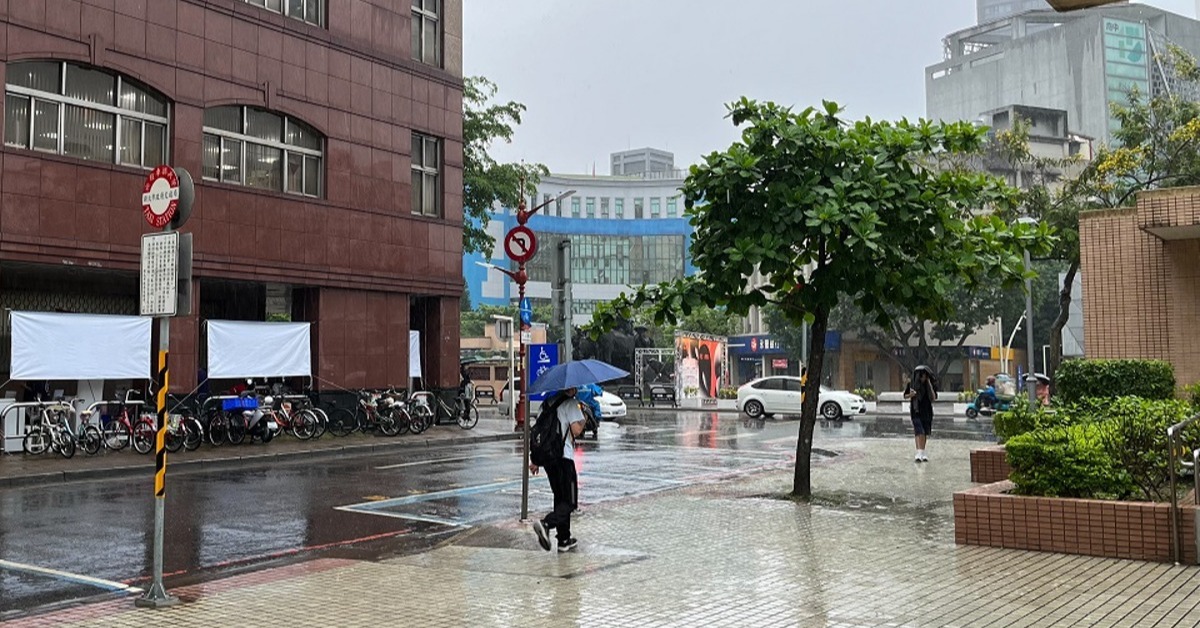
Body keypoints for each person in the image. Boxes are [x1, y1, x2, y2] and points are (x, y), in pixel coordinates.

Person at [531, 387, 586, 553]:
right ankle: (547, 523)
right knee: (570, 501)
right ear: (571, 388)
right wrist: (582, 416)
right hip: (564, 458)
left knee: (560, 498)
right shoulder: (571, 404)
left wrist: (535, 460)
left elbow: (539, 432)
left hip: (549, 460)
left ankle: (563, 539)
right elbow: (576, 430)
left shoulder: (546, 404)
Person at [904, 367, 937, 463]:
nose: (922, 378)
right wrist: (912, 395)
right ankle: (919, 452)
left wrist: (929, 384)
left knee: (925, 432)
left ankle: (922, 452)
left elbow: (934, 397)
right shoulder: (912, 384)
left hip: (927, 411)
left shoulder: (930, 385)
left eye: (925, 376)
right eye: (921, 376)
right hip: (916, 410)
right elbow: (905, 395)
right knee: (919, 431)